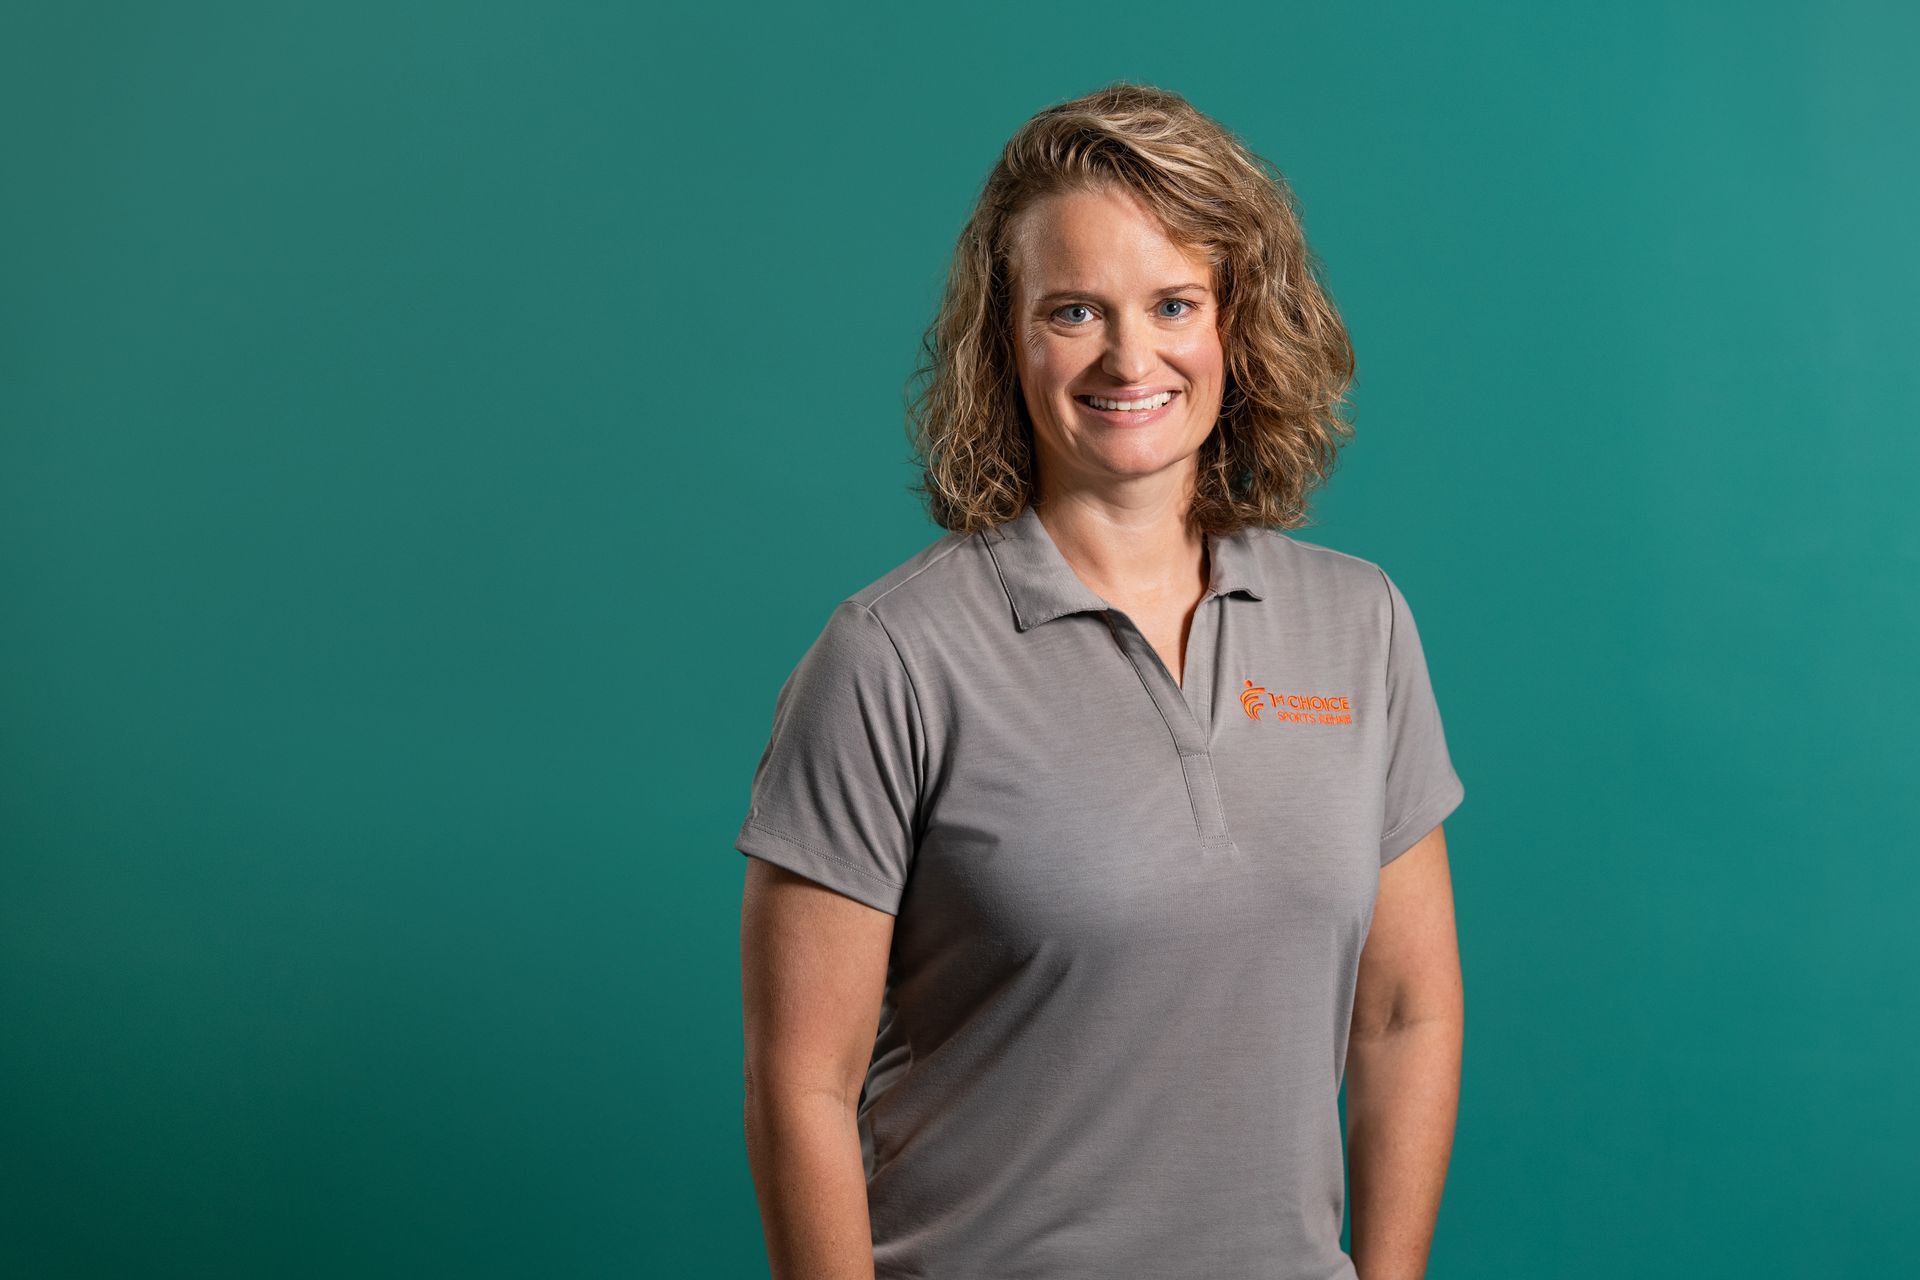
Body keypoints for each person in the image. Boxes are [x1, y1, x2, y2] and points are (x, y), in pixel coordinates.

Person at [735, 81, 1466, 1280]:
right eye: (1074, 310)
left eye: (1174, 303)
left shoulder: (1360, 625)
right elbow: (799, 1084)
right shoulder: (891, 656)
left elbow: (1402, 1017)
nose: (1132, 356)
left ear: (1236, 323)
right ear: (1006, 338)